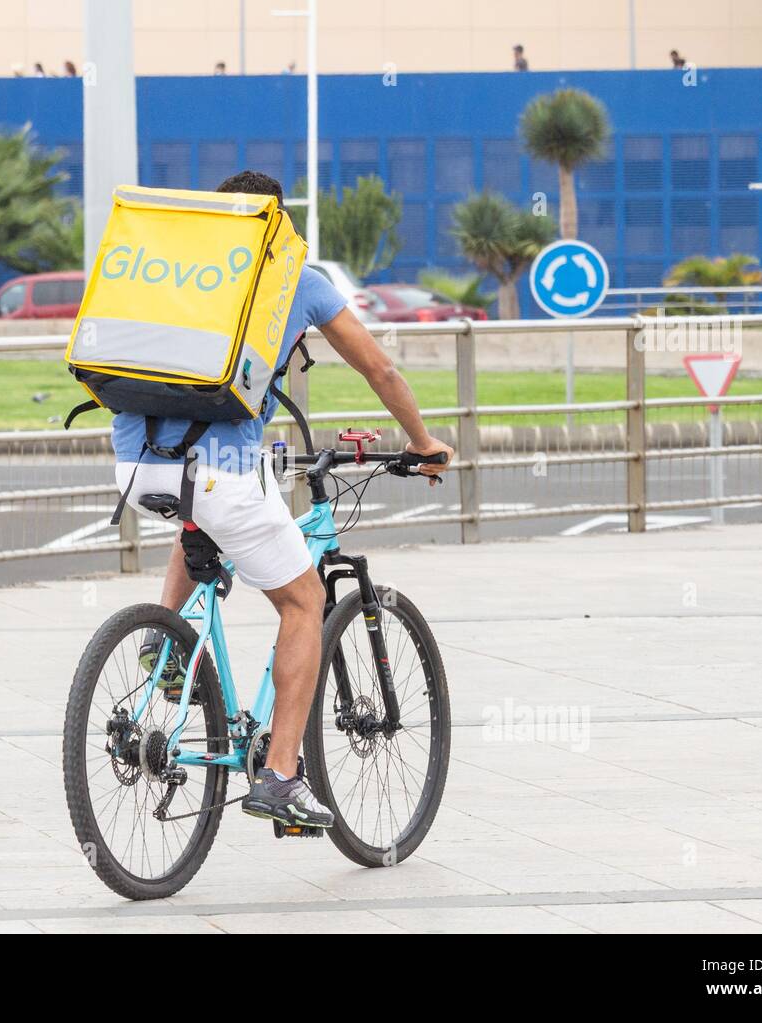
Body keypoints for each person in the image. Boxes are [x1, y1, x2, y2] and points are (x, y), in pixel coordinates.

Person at [112, 170, 453, 830]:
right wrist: (423, 440)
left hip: (132, 461)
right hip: (223, 468)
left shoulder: (176, 263)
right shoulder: (292, 275)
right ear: (277, 222)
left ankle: (163, 633)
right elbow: (379, 368)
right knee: (305, 602)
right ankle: (282, 776)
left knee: (202, 514)